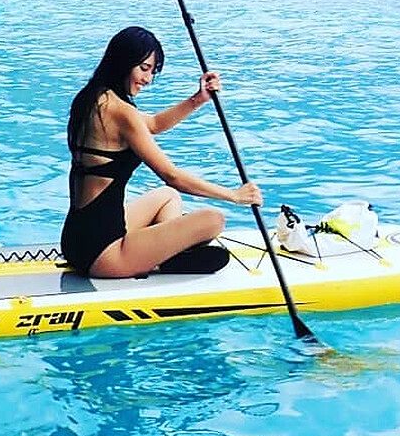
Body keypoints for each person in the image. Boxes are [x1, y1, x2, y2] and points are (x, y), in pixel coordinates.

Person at [60, 25, 263, 277]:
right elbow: (173, 176)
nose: (147, 79)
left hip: (75, 240)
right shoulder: (121, 112)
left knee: (167, 197)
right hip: (104, 254)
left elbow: (154, 124)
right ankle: (163, 258)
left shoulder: (93, 98)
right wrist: (235, 195)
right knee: (214, 220)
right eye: (143, 69)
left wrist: (197, 99)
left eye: (152, 72)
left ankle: (165, 251)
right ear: (123, 62)